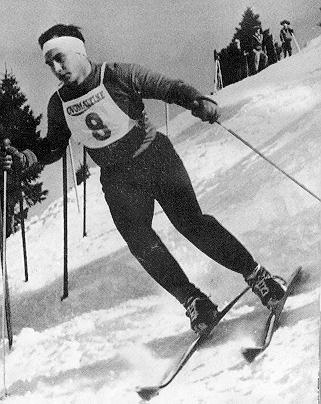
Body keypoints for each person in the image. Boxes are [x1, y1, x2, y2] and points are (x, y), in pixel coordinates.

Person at [0, 24, 285, 335]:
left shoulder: (117, 74)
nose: (56, 68)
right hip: (118, 178)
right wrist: (24, 157)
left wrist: (196, 100)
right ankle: (194, 301)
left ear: (78, 51)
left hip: (154, 158)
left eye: (60, 58)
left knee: (191, 223)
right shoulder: (59, 104)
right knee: (140, 243)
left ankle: (258, 276)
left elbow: (165, 87)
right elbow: (53, 146)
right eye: (49, 63)